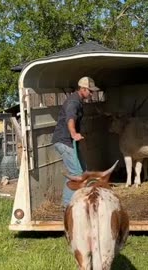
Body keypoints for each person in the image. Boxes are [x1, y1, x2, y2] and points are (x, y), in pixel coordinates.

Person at [53, 76, 100, 207]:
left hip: (68, 141)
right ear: (83, 89)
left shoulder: (78, 100)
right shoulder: (73, 102)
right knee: (75, 173)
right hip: (64, 141)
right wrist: (73, 133)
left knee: (83, 170)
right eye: (90, 91)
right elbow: (70, 119)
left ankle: (81, 198)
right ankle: (67, 205)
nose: (92, 94)